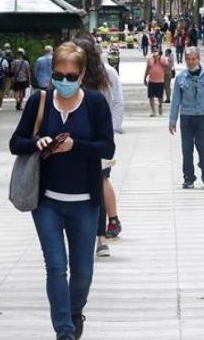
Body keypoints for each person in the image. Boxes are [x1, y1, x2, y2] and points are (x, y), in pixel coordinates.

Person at [9, 42, 115, 340]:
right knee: (56, 266)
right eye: (59, 75)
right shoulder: (39, 101)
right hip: (47, 202)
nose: (64, 82)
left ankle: (74, 309)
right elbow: (15, 142)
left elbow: (107, 146)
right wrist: (37, 142)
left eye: (71, 76)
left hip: (84, 203)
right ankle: (64, 331)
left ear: (81, 75)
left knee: (82, 272)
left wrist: (75, 146)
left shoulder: (94, 103)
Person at [70, 36, 124, 259]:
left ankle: (100, 237)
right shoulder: (69, 75)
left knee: (98, 183)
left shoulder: (107, 74)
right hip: (71, 140)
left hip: (97, 141)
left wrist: (110, 133)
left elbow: (117, 102)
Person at [169, 47, 204, 189]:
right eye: (188, 59)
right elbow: (175, 101)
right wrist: (172, 121)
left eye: (194, 59)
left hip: (203, 117)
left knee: (203, 147)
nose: (191, 62)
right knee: (186, 149)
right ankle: (188, 177)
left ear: (199, 58)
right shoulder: (181, 77)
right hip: (186, 117)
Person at [144, 45, 167, 117]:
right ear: (151, 51)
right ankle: (153, 111)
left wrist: (159, 58)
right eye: (153, 51)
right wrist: (145, 78)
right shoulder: (149, 59)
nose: (155, 52)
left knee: (160, 96)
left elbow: (166, 65)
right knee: (151, 96)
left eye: (156, 50)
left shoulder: (163, 58)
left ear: (158, 51)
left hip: (160, 80)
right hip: (151, 80)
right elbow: (147, 68)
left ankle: (160, 106)